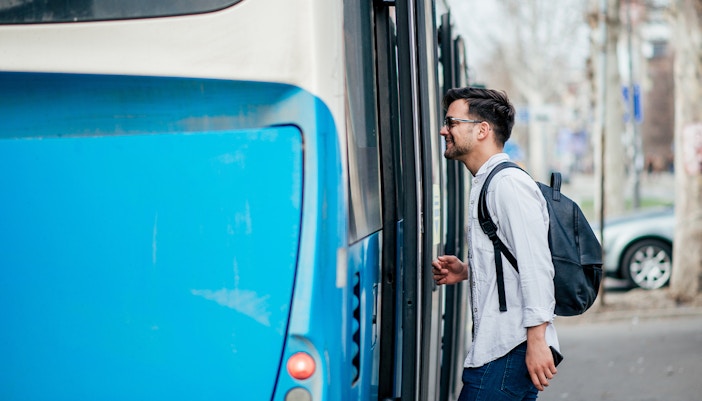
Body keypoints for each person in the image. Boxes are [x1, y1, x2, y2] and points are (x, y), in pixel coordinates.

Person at [432, 87, 559, 400]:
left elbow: (536, 264)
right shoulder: (489, 182)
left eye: (451, 122)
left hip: (508, 350)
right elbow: (510, 257)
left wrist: (537, 340)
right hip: (501, 349)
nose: (443, 130)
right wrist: (467, 270)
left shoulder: (508, 185)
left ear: (482, 130)